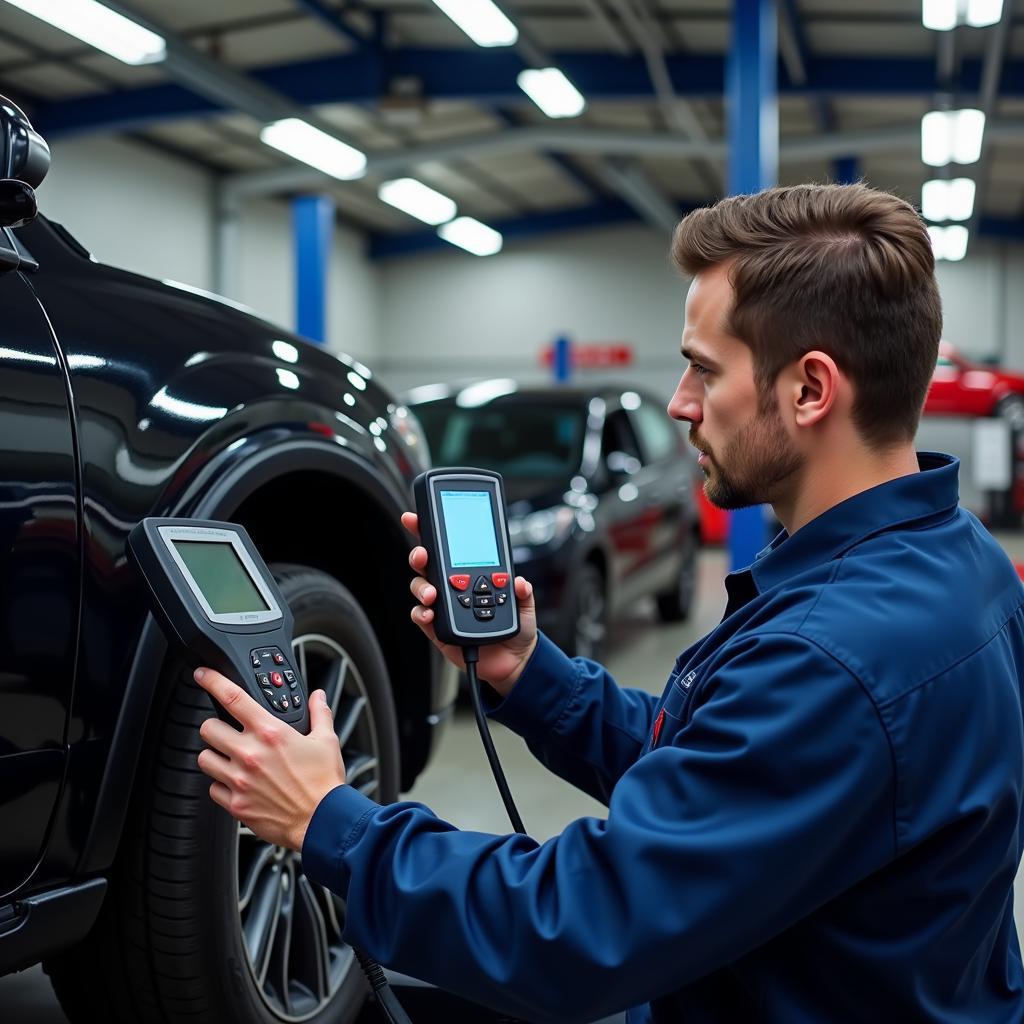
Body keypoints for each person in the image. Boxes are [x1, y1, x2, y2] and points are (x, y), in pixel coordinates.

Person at [194, 183, 1024, 1023]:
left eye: (704, 367)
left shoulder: (834, 655)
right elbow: (722, 783)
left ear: (811, 390)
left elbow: (580, 927)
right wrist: (529, 674)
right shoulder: (958, 561)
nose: (679, 403)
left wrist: (330, 824)